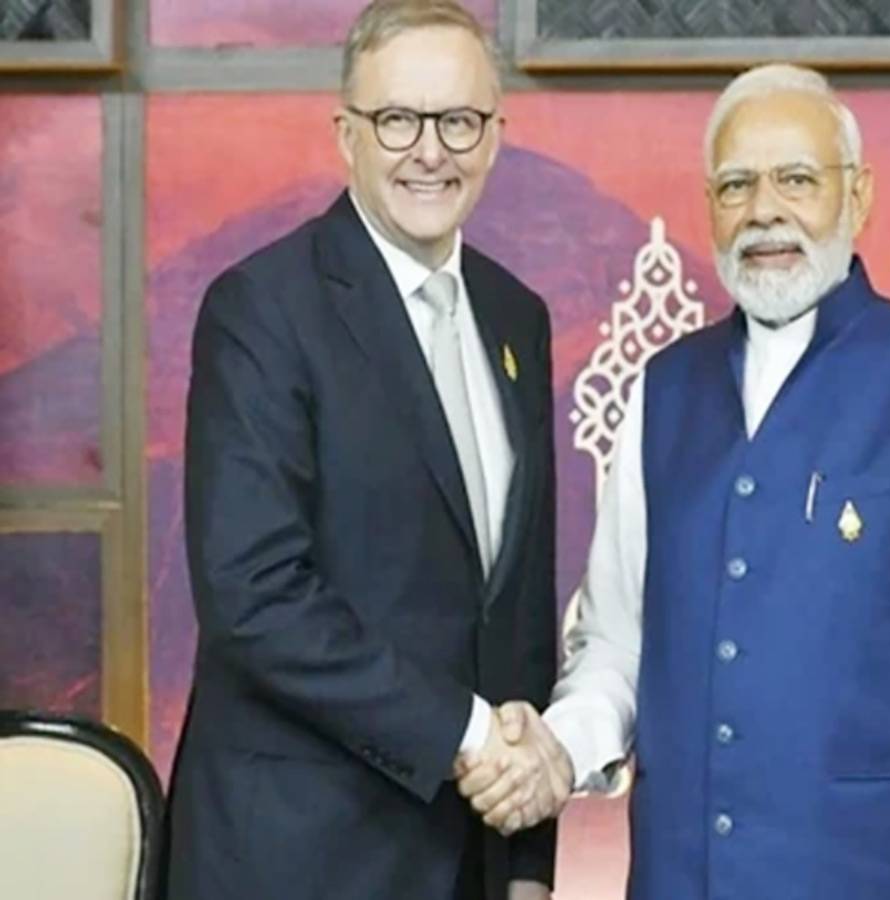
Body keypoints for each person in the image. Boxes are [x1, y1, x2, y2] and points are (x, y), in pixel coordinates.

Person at [459, 64, 890, 900]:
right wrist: (556, 752)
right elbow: (617, 646)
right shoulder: (663, 392)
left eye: (797, 179)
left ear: (858, 198)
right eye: (736, 184)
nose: (765, 210)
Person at [163, 2, 558, 899]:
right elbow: (255, 596)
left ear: (495, 136)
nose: (431, 150)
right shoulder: (263, 308)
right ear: (346, 134)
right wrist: (466, 736)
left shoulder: (515, 317)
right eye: (397, 120)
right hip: (298, 858)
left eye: (458, 121)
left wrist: (528, 856)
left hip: (468, 859)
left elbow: (519, 611)